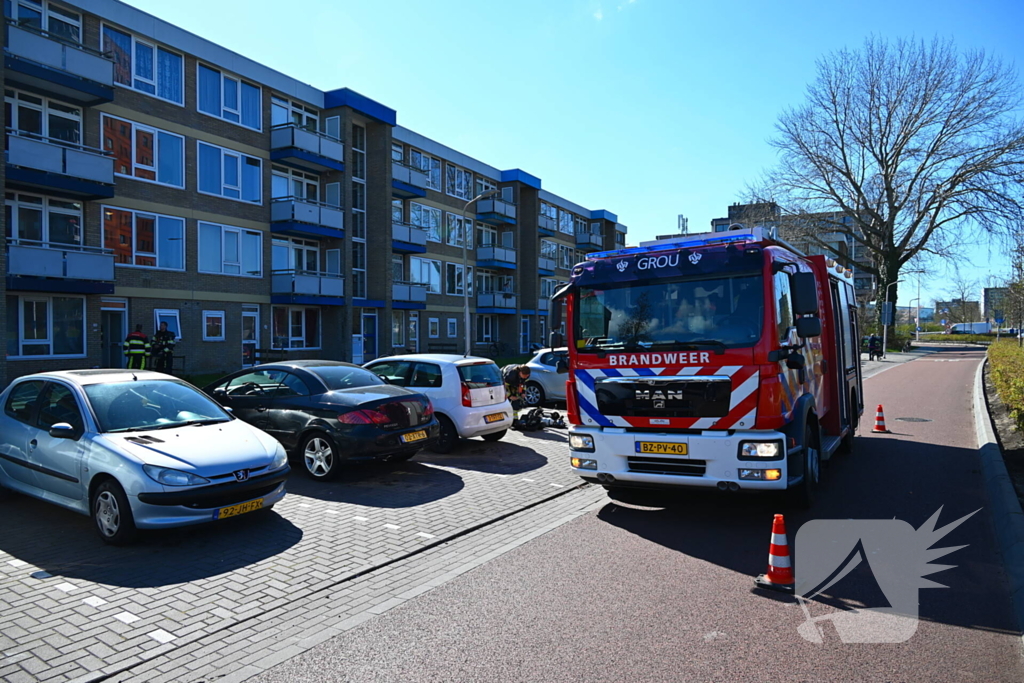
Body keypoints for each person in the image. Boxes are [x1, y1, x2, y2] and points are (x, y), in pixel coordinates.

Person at [501, 364, 532, 429]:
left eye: (527, 376)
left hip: (515, 383)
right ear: (520, 373)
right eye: (525, 375)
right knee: (507, 402)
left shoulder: (526, 376)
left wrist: (523, 392)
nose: (526, 377)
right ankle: (506, 420)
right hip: (505, 382)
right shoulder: (511, 376)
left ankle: (514, 420)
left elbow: (523, 384)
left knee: (516, 403)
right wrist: (509, 396)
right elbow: (504, 387)